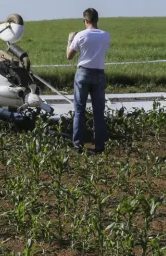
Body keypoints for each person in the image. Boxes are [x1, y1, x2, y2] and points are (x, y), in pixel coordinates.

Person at [66, 8, 112, 154]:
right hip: (99, 73)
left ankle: (78, 145)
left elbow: (69, 56)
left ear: (85, 20)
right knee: (98, 111)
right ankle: (99, 145)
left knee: (79, 110)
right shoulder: (106, 36)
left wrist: (70, 40)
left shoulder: (80, 35)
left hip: (83, 73)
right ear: (97, 19)